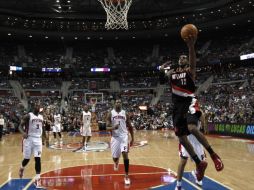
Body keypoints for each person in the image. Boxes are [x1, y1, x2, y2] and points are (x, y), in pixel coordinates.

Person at [159, 35, 224, 182]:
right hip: (177, 107)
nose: (182, 59)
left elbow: (193, 63)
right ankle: (199, 163)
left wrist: (191, 47)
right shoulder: (172, 73)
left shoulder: (189, 71)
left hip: (189, 101)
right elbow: (162, 80)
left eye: (185, 57)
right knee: (181, 137)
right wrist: (160, 70)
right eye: (181, 57)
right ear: (178, 61)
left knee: (192, 128)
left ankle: (214, 155)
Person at [106, 98, 134, 185]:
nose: (118, 103)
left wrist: (132, 138)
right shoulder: (110, 113)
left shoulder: (125, 113)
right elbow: (106, 127)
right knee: (114, 158)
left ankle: (126, 176)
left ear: (121, 104)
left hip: (124, 137)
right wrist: (113, 128)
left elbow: (130, 126)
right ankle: (116, 162)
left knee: (125, 154)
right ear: (114, 103)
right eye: (117, 102)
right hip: (115, 137)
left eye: (120, 102)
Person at [175, 110, 206, 189]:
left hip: (197, 140)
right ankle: (178, 186)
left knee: (202, 162)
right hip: (186, 138)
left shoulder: (199, 111)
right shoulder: (182, 110)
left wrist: (203, 124)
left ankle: (196, 173)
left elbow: (203, 126)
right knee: (183, 162)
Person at [18, 103, 44, 188]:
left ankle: (37, 179)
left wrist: (45, 138)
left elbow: (41, 128)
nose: (38, 107)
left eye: (39, 106)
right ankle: (22, 168)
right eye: (37, 105)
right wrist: (23, 133)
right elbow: (20, 126)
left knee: (38, 158)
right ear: (33, 107)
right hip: (28, 139)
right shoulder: (28, 116)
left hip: (38, 140)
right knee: (27, 158)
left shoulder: (41, 117)